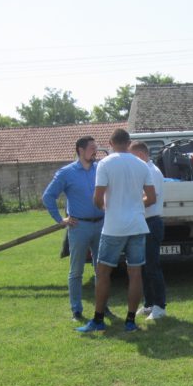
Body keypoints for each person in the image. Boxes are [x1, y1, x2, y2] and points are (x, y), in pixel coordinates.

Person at [77, 129, 156, 333]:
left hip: (114, 227)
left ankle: (98, 319)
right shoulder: (141, 164)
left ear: (111, 143)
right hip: (137, 225)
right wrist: (134, 205)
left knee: (103, 272)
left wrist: (106, 207)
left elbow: (97, 198)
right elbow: (151, 198)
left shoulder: (105, 163)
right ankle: (130, 321)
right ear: (129, 143)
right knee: (135, 273)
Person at [42, 136, 105, 322]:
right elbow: (48, 196)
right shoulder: (66, 173)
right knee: (76, 271)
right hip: (79, 227)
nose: (95, 151)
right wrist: (60, 220)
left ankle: (102, 307)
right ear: (80, 150)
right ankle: (76, 310)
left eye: (96, 148)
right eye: (92, 148)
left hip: (101, 224)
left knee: (102, 270)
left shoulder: (100, 169)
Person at [129, 141, 168, 321]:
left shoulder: (151, 171)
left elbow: (151, 198)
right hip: (144, 222)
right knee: (144, 266)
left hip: (151, 222)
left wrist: (131, 206)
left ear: (140, 155)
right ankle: (149, 303)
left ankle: (160, 306)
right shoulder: (146, 170)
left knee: (152, 266)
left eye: (132, 157)